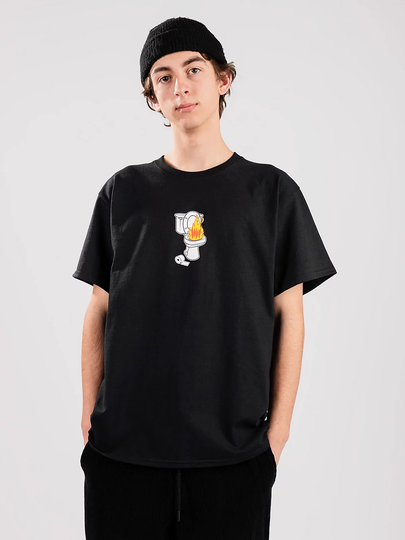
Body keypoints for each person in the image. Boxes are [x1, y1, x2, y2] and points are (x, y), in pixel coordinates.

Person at [72, 16, 337, 540]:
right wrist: (89, 420)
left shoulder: (271, 192)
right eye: (164, 76)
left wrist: (277, 435)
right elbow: (99, 309)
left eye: (194, 69)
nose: (181, 86)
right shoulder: (123, 191)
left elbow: (290, 317)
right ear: (153, 97)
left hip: (234, 458)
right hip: (123, 454)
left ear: (223, 79)